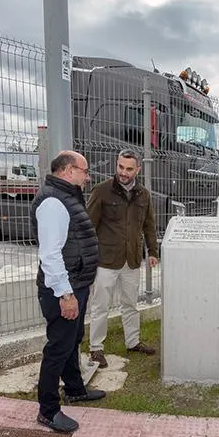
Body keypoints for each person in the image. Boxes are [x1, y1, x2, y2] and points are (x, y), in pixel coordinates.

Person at [30, 150, 106, 433]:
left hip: (76, 284)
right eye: (84, 171)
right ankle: (48, 410)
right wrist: (66, 294)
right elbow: (50, 255)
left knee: (72, 339)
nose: (88, 178)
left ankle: (74, 389)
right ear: (67, 170)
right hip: (62, 290)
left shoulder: (66, 197)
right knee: (58, 348)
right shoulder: (53, 203)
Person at [86, 149, 159, 368]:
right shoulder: (101, 191)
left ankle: (133, 342)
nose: (123, 173)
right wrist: (88, 256)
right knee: (100, 306)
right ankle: (96, 349)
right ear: (116, 165)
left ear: (138, 169)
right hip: (106, 261)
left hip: (132, 260)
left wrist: (153, 251)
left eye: (129, 169)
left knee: (130, 304)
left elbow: (149, 225)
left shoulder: (144, 195)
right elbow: (89, 226)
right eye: (120, 167)